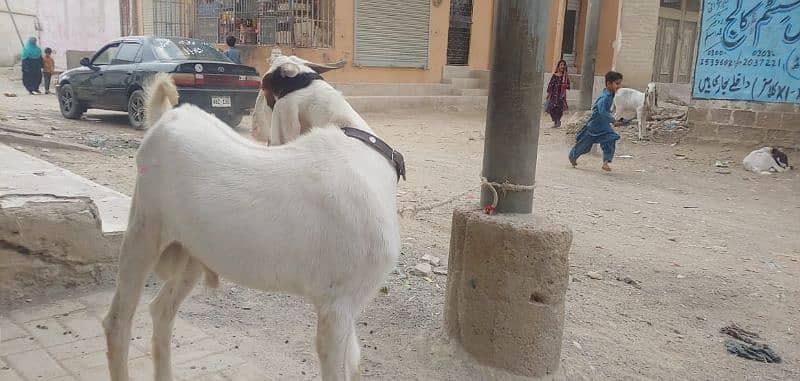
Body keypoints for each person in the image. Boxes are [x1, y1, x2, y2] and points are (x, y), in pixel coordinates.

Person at [568, 71, 623, 172]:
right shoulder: (605, 97)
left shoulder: (610, 94)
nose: (618, 86)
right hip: (595, 125)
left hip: (604, 125)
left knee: (610, 139)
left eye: (619, 83)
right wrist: (613, 120)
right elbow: (602, 111)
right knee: (584, 145)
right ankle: (573, 156)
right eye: (617, 83)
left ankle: (606, 162)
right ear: (608, 83)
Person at [546, 59, 570, 128]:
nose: (562, 66)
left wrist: (565, 85)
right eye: (561, 65)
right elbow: (551, 84)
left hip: (561, 96)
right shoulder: (554, 75)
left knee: (559, 109)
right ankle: (555, 120)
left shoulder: (565, 77)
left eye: (564, 65)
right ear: (558, 66)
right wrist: (548, 93)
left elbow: (568, 85)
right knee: (551, 108)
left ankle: (558, 121)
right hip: (554, 95)